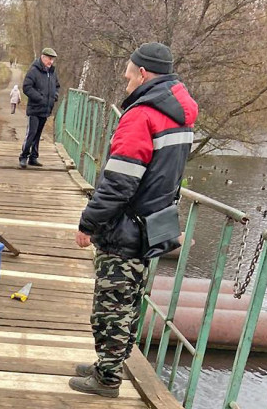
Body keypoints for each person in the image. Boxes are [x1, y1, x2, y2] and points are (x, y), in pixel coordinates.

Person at [70, 42, 198, 397]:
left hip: (125, 227)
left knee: (110, 306)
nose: (126, 81)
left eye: (129, 74)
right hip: (153, 223)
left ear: (143, 73)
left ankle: (107, 379)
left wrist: (89, 222)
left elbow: (119, 182)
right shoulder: (179, 114)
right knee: (129, 300)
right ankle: (109, 364)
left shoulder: (142, 115)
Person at [18, 47, 60, 168]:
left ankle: (33, 157)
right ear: (43, 57)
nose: (51, 62)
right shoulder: (34, 71)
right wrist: (39, 98)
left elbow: (57, 86)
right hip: (35, 108)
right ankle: (23, 156)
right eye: (49, 59)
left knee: (38, 134)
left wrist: (54, 96)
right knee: (31, 133)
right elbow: (27, 87)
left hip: (46, 109)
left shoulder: (52, 72)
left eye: (52, 60)